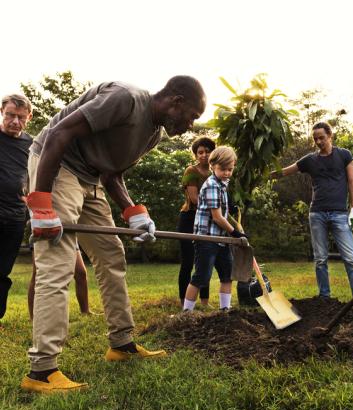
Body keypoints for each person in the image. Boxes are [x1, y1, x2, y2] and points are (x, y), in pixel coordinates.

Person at [21, 76, 206, 393]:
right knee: (59, 260)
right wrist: (41, 203)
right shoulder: (126, 99)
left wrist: (134, 213)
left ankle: (121, 344)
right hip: (57, 164)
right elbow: (57, 133)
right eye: (191, 116)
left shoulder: (153, 134)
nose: (190, 126)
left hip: (91, 178)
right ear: (176, 101)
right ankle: (41, 371)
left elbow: (111, 172)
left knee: (112, 256)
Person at [270, 122, 353, 303]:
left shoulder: (344, 155)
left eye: (321, 137)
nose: (318, 142)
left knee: (350, 258)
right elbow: (286, 171)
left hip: (339, 214)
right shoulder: (309, 160)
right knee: (320, 259)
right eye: (315, 139)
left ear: (330, 135)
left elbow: (352, 182)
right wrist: (265, 173)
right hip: (317, 214)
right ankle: (324, 297)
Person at [183, 146, 246, 311]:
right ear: (212, 166)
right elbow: (217, 217)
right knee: (201, 277)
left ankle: (225, 310)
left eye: (230, 169)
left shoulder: (222, 184)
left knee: (227, 275)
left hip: (221, 239)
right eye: (223, 169)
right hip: (207, 239)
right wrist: (234, 232)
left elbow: (222, 211)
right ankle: (186, 312)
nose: (227, 173)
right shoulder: (212, 185)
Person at [0, 94, 33, 321]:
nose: (15, 121)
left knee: (2, 271)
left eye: (21, 117)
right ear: (2, 111)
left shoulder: (32, 144)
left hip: (15, 217)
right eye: (10, 115)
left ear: (28, 117)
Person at [177, 137, 216, 306]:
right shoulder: (191, 171)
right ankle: (183, 302)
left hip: (209, 219)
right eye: (200, 152)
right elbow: (194, 199)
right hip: (190, 218)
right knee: (188, 262)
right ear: (195, 155)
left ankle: (205, 302)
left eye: (207, 151)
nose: (204, 155)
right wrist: (216, 211)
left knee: (204, 261)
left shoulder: (217, 172)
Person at [28, 242, 92, 319]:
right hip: (44, 235)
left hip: (68, 237)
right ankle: (33, 317)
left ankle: (85, 311)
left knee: (80, 272)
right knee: (37, 273)